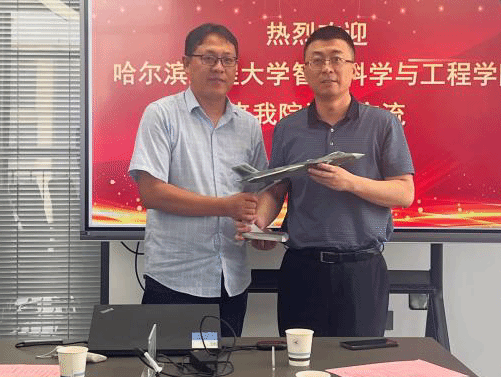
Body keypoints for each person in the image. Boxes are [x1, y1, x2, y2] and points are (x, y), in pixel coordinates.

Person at [241, 25, 415, 337]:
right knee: (300, 360)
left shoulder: (382, 124)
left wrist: (351, 183)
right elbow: (277, 189)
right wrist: (259, 223)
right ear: (305, 70)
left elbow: (404, 192)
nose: (327, 68)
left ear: (353, 69)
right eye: (317, 60)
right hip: (302, 269)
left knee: (360, 361)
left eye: (336, 59)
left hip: (362, 270)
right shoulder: (288, 128)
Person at [128, 22, 267, 336]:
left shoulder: (249, 126)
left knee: (224, 361)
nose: (218, 67)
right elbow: (152, 193)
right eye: (208, 58)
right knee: (171, 361)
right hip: (175, 280)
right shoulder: (161, 114)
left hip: (231, 280)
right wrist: (225, 206)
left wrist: (260, 228)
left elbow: (258, 192)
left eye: (227, 60)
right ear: (186, 63)